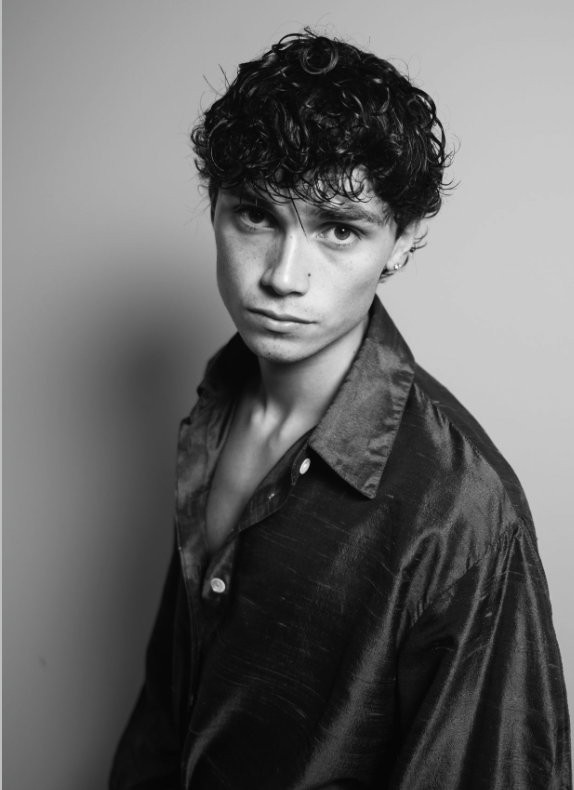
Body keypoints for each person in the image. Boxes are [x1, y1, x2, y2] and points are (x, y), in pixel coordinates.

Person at [109, 29, 571, 790]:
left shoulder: (462, 509)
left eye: (339, 230)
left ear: (403, 242)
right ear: (214, 207)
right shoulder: (216, 414)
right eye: (256, 216)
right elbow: (172, 711)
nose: (284, 276)